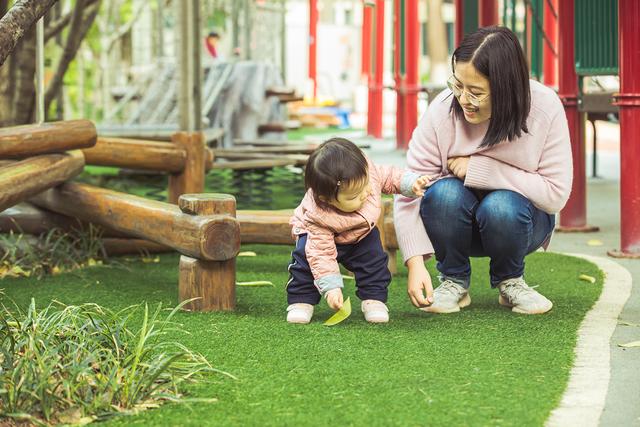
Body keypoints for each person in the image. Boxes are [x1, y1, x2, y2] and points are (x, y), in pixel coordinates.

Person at [394, 26, 572, 315]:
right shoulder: (442, 111)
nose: (464, 99)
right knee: (442, 193)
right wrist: (414, 262)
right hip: (453, 224)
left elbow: (555, 195)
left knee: (501, 205)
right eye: (458, 85)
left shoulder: (544, 107)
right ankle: (453, 280)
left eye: (476, 92)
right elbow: (410, 188)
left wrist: (481, 170)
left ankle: (510, 280)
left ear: (506, 89)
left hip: (521, 223)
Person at [286, 138, 430, 324]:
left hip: (360, 231)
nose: (365, 194)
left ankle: (374, 299)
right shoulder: (317, 215)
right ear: (327, 199)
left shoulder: (366, 175)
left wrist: (411, 183)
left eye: (365, 186)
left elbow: (389, 176)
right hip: (318, 238)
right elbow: (321, 255)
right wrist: (331, 287)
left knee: (374, 262)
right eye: (354, 196)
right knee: (305, 263)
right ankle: (301, 300)